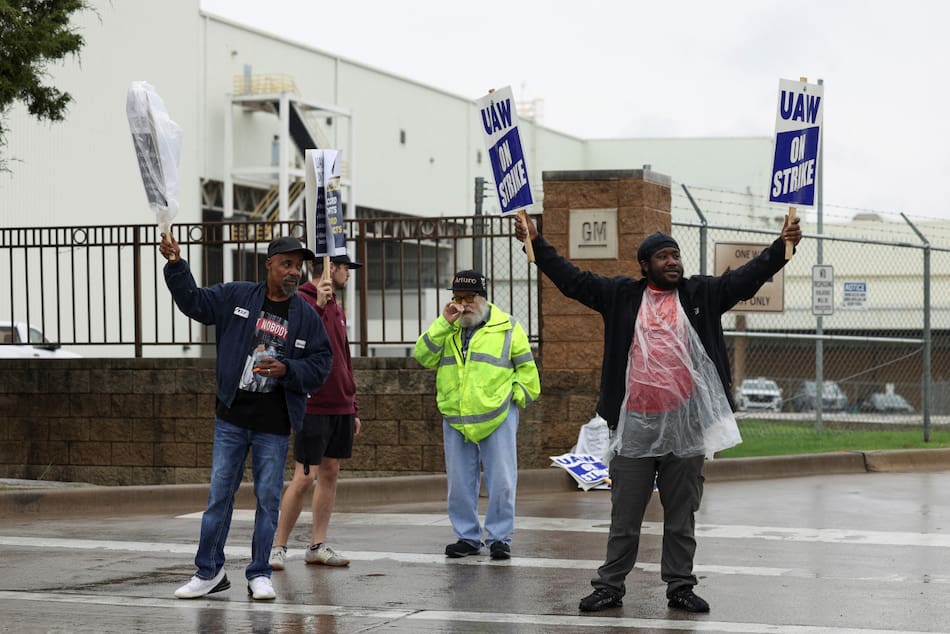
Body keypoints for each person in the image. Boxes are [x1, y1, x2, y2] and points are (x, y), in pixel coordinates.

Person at [514, 213, 802, 613]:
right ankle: (610, 586)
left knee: (681, 515)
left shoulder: (702, 294)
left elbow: (746, 278)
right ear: (645, 265)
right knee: (625, 516)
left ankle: (680, 585)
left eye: (676, 255)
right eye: (663, 257)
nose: (673, 262)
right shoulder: (621, 296)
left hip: (685, 427)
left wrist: (782, 247)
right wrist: (537, 244)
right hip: (635, 428)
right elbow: (573, 279)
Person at [160, 233, 333, 602]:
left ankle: (259, 573)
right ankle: (208, 572)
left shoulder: (305, 315)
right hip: (232, 419)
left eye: (297, 266)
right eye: (285, 264)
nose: (293, 272)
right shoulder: (237, 296)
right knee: (219, 495)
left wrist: (287, 369)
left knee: (268, 499)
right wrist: (177, 266)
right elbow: (194, 303)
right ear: (268, 265)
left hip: (274, 425)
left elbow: (322, 364)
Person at [413, 270, 540, 560]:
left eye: (469, 298)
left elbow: (528, 372)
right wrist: (443, 323)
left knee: (502, 480)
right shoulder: (449, 328)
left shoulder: (508, 327)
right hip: (456, 417)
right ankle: (467, 537)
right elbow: (422, 355)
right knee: (458, 482)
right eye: (458, 298)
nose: (463, 304)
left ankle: (499, 538)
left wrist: (515, 398)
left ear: (483, 297)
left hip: (497, 414)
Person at [269, 253, 363, 570]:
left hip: (340, 404)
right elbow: (299, 343)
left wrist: (353, 406)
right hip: (312, 403)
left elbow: (344, 358)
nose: (348, 274)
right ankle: (277, 546)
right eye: (344, 268)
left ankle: (317, 544)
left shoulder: (336, 305)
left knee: (330, 472)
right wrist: (320, 307)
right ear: (328, 268)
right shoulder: (303, 303)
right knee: (304, 477)